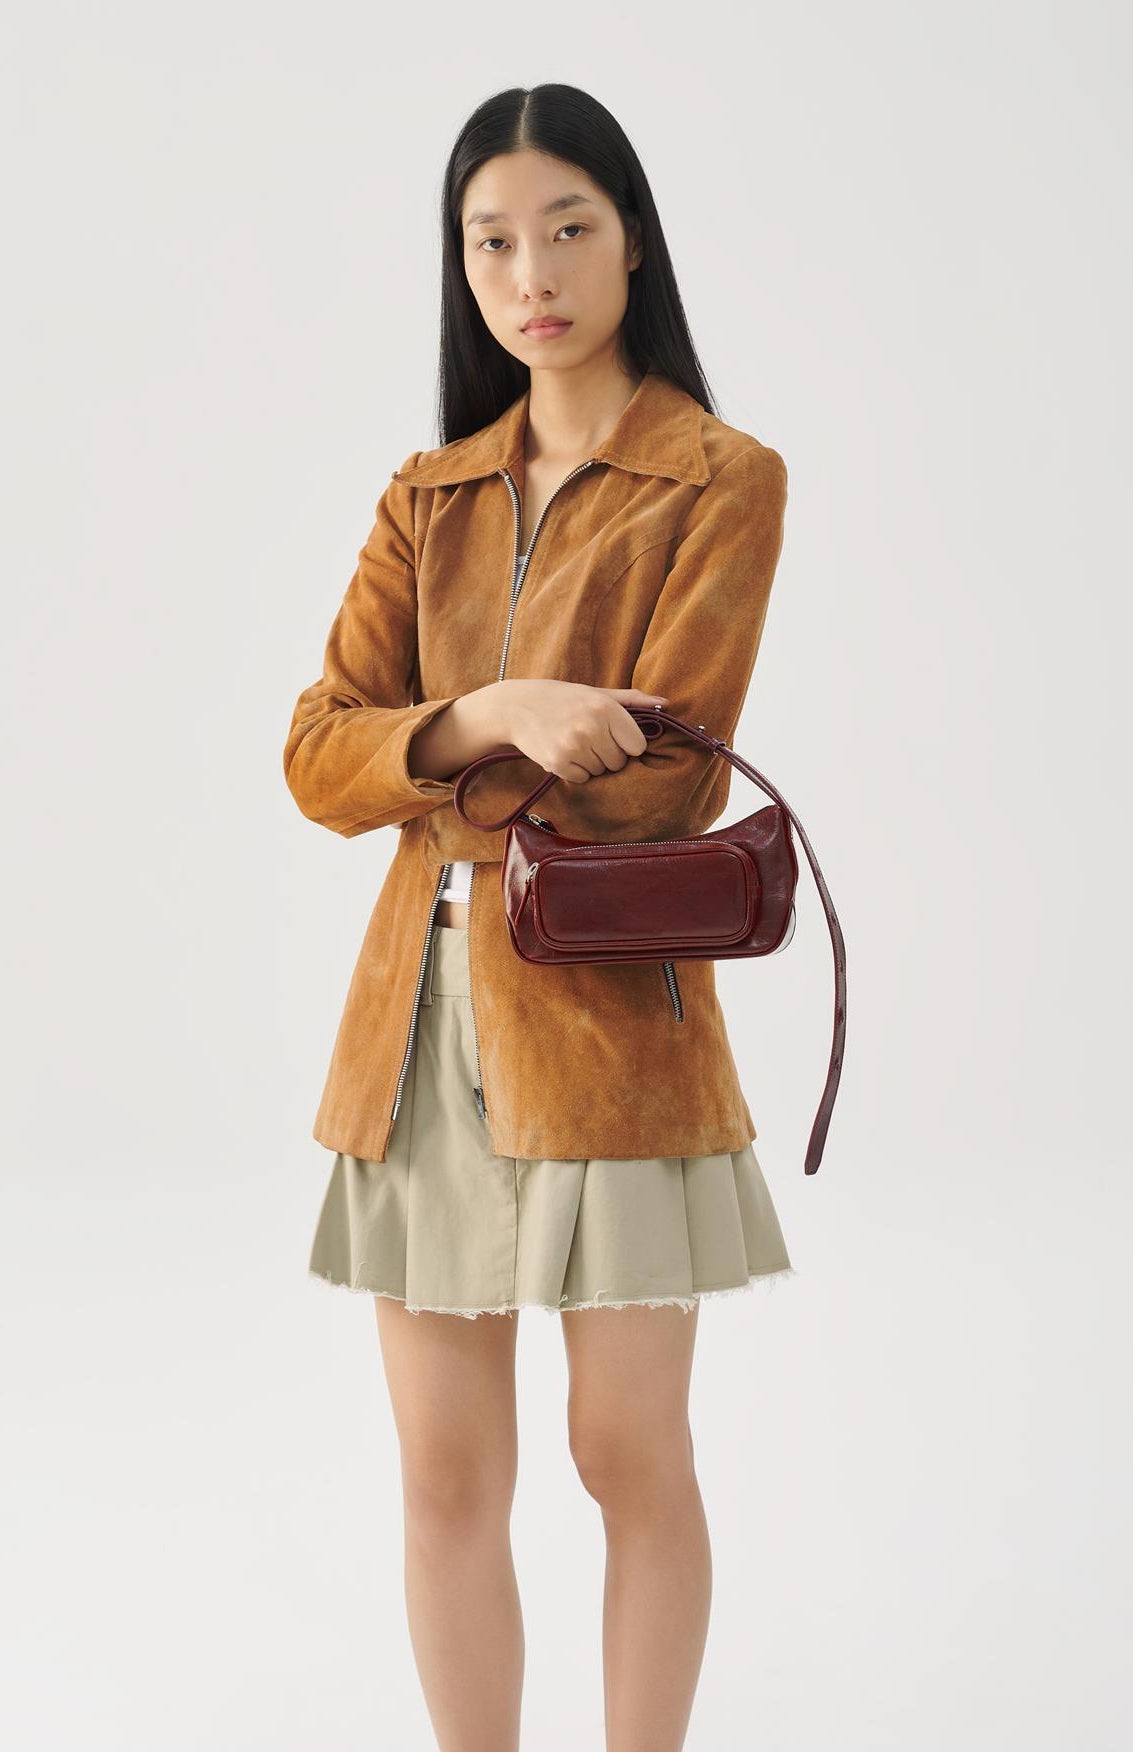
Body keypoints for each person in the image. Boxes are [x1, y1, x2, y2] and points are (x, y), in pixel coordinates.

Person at [284, 81, 795, 1752]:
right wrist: (500, 712)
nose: (531, 274)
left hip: (610, 1028)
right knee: (444, 1472)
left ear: (630, 240)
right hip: (413, 1030)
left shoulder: (717, 479)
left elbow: (665, 786)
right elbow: (314, 755)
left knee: (622, 1455)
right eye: (491, 241)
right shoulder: (427, 493)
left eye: (566, 228)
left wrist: (426, 759)